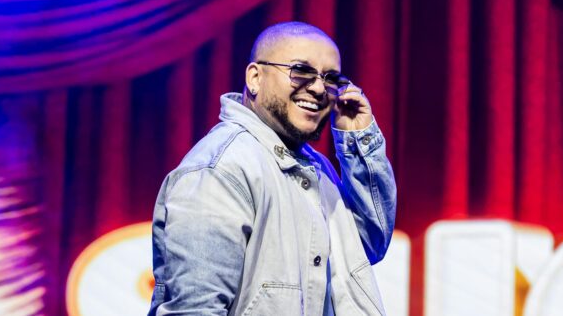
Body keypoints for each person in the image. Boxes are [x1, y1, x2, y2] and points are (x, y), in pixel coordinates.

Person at [148, 22, 397, 315]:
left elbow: (367, 246)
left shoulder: (317, 168)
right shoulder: (222, 168)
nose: (318, 88)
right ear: (255, 78)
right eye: (301, 70)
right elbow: (193, 310)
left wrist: (357, 139)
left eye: (330, 78)